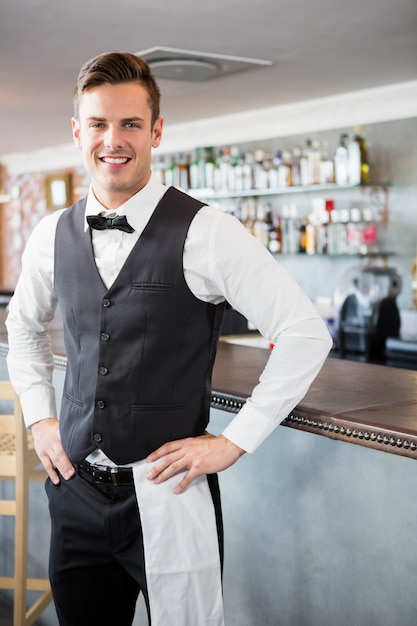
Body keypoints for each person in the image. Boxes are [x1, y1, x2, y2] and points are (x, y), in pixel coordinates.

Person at [6, 51, 332, 626]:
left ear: (156, 130)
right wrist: (39, 417)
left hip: (170, 491)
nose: (114, 139)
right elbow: (23, 328)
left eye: (131, 123)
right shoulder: (49, 234)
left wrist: (234, 442)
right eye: (99, 124)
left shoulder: (208, 231)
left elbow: (305, 332)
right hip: (76, 489)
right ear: (78, 132)